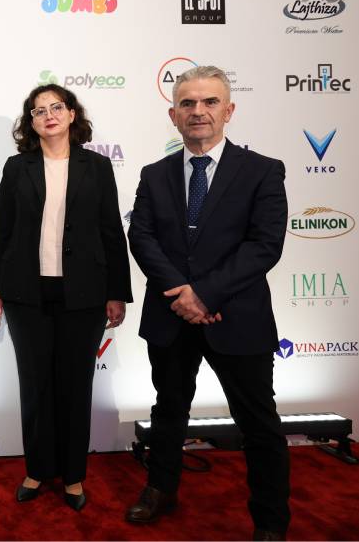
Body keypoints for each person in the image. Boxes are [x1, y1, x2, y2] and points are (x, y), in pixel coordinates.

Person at [125, 66, 290, 540]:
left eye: (210, 102)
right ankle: (161, 489)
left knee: (258, 422)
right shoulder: (154, 174)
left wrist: (206, 294)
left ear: (229, 110)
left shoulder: (262, 170)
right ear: (173, 115)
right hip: (171, 315)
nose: (198, 111)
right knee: (168, 410)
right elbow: (142, 237)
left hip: (237, 317)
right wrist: (182, 293)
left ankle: (270, 520)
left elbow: (264, 245)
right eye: (188, 103)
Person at [0, 84, 132, 511]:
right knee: (35, 387)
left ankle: (72, 475)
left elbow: (111, 230)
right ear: (30, 122)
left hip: (83, 294)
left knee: (75, 387)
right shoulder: (17, 167)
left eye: (56, 107)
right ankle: (36, 469)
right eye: (38, 111)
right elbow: (3, 230)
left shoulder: (96, 166)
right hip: (26, 294)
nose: (48, 115)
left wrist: (117, 293)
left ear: (71, 114)